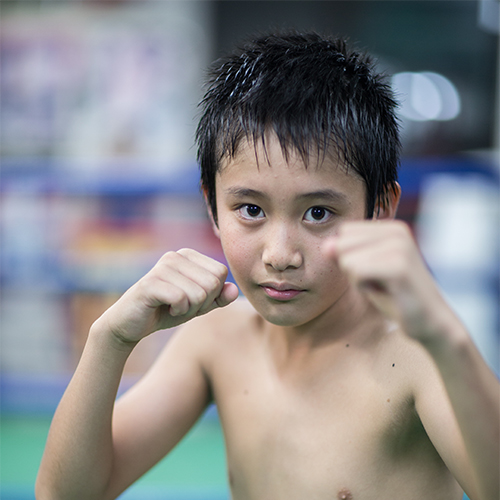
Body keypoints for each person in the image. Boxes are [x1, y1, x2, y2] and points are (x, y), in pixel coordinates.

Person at [36, 31, 499, 500]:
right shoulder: (216, 340)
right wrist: (108, 339)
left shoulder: (416, 359)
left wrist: (446, 336)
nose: (280, 254)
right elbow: (66, 494)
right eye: (251, 210)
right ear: (212, 206)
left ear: (379, 209)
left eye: (318, 213)